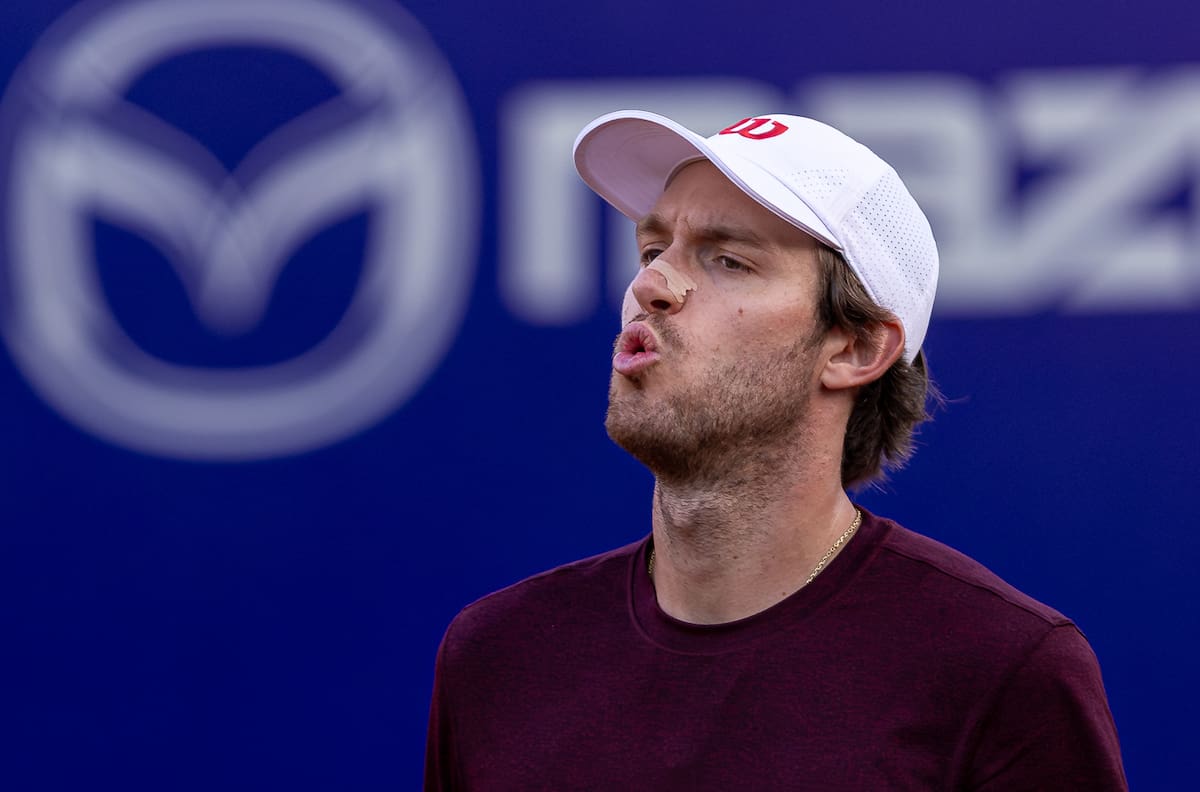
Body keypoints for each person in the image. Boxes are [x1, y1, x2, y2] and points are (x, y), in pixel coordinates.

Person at [424, 110, 1127, 790]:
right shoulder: (500, 654)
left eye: (728, 259)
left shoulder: (1000, 669)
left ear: (854, 348)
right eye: (650, 249)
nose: (650, 285)